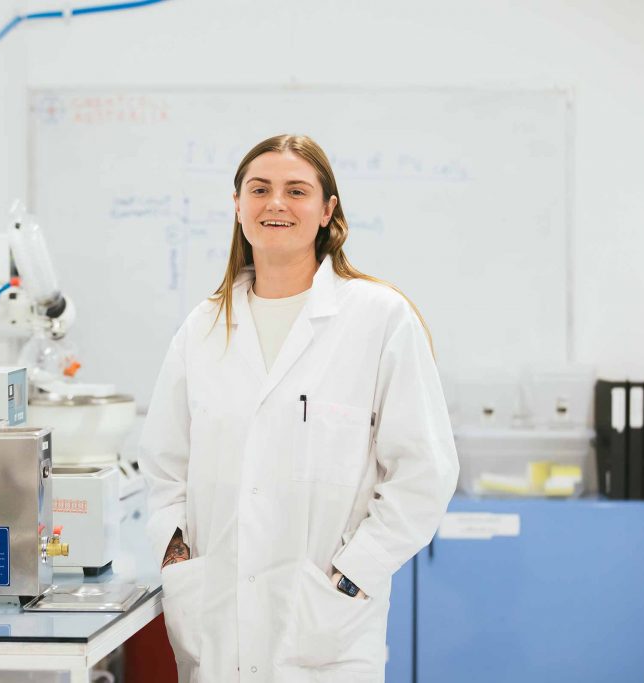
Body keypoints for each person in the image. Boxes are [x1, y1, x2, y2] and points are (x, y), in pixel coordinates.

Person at [139, 134, 459, 682]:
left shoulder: (379, 318)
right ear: (237, 206)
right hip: (218, 617)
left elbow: (424, 471)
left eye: (297, 190)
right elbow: (165, 461)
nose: (276, 203)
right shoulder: (204, 327)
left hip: (326, 622)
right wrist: (174, 550)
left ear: (327, 210)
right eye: (259, 189)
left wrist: (354, 572)